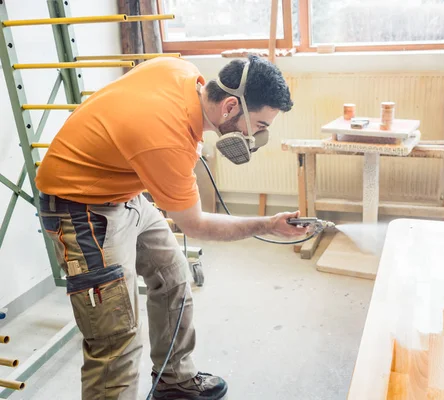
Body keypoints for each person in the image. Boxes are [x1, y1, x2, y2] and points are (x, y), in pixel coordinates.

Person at [35, 54, 308, 400]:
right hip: (78, 208)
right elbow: (197, 225)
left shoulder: (181, 72)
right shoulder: (166, 140)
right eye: (260, 126)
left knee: (173, 276)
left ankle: (174, 380)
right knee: (116, 338)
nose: (257, 137)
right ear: (228, 107)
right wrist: (268, 224)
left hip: (120, 191)